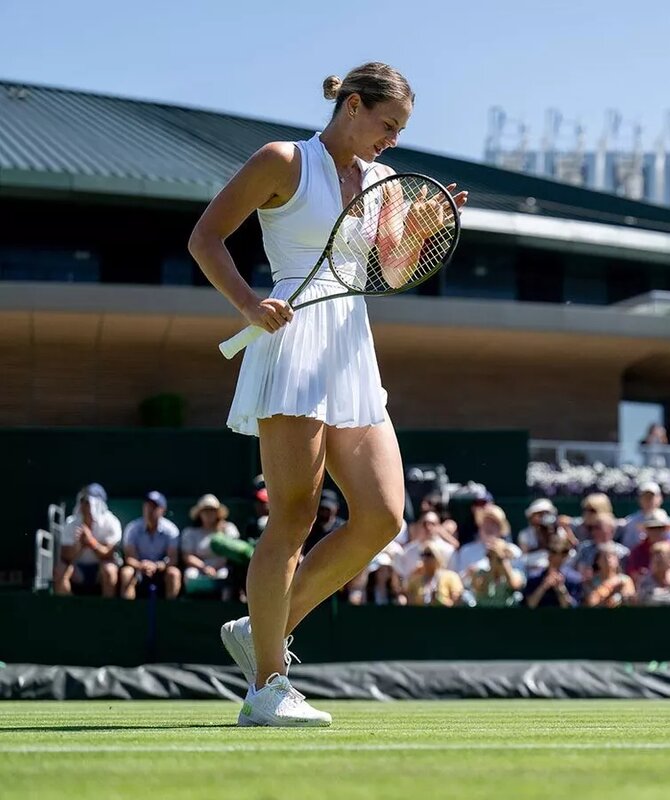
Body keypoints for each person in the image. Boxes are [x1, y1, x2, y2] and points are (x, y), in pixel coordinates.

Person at [193, 61, 470, 726]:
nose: (393, 140)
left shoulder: (383, 183)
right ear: (351, 105)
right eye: (387, 124)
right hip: (289, 336)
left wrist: (426, 229)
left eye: (400, 130)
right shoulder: (283, 160)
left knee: (381, 516)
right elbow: (206, 238)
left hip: (351, 344)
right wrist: (248, 305)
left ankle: (260, 627)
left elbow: (392, 267)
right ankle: (266, 686)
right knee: (293, 514)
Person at [54, 484, 123, 597]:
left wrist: (91, 542)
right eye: (82, 501)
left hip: (100, 570)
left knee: (109, 570)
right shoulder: (71, 523)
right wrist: (79, 545)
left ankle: (107, 611)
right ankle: (68, 611)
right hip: (78, 569)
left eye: (88, 502)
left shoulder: (111, 523)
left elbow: (108, 553)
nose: (84, 505)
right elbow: (65, 555)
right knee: (60, 570)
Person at [120, 491, 182, 601]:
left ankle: (170, 613)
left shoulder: (171, 530)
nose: (150, 509)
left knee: (174, 573)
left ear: (163, 510)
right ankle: (129, 613)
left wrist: (158, 566)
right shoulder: (132, 528)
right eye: (147, 505)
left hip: (162, 571)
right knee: (126, 573)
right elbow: (129, 558)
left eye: (155, 506)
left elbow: (173, 558)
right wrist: (141, 565)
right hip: (139, 570)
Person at [180, 494, 241, 599]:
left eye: (212, 510)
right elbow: (187, 556)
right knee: (190, 575)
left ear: (217, 513)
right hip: (199, 567)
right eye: (205, 510)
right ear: (200, 514)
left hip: (221, 566)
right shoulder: (190, 533)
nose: (209, 514)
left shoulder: (228, 529)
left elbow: (232, 552)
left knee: (224, 575)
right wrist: (204, 568)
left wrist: (215, 567)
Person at [450, 504, 520, 577]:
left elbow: (518, 582)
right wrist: (468, 573)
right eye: (486, 522)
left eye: (494, 523)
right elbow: (458, 580)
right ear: (480, 526)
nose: (489, 527)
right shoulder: (466, 551)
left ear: (501, 529)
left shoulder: (514, 551)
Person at [524, 534, 582, 608]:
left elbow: (571, 610)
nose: (552, 555)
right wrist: (543, 586)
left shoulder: (574, 579)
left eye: (556, 552)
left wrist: (560, 589)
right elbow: (529, 606)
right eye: (550, 550)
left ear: (565, 555)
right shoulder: (534, 576)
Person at [625, 510, 670, 579]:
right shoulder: (637, 551)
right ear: (646, 530)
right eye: (651, 528)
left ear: (665, 529)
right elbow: (632, 573)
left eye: (659, 528)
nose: (655, 531)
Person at [571, 512, 630, 580]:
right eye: (591, 528)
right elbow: (572, 570)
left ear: (611, 529)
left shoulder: (623, 552)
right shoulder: (584, 549)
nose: (594, 531)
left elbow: (625, 575)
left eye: (598, 527)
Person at [470, 538, 526, 607]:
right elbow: (482, 589)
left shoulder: (516, 573)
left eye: (492, 556)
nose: (490, 559)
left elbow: (514, 585)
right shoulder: (479, 573)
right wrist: (493, 568)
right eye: (489, 556)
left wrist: (502, 559)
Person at [582, 543, 636, 608]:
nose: (608, 560)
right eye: (604, 556)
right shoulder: (591, 582)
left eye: (611, 556)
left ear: (617, 560)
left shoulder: (625, 580)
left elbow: (630, 599)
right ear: (598, 561)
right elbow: (591, 603)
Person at [618, 482, 664, 548]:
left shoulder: (666, 521)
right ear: (639, 499)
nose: (649, 500)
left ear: (660, 498)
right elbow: (627, 546)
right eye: (645, 497)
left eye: (651, 497)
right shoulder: (630, 521)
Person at [301, 490, 347, 556]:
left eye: (328, 510)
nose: (324, 513)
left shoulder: (343, 530)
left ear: (336, 509)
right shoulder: (310, 528)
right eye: (322, 509)